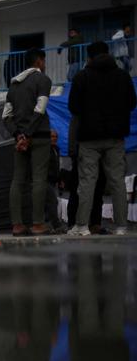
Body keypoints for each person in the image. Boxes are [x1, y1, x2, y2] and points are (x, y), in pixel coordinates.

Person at [68, 41, 136, 236]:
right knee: (117, 181)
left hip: (89, 138)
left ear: (89, 58)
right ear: (108, 54)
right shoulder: (123, 76)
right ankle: (122, 226)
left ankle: (81, 226)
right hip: (115, 137)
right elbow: (132, 103)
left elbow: (73, 107)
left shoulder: (82, 77)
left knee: (87, 181)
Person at [2, 48, 52, 236]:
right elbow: (40, 110)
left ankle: (17, 225)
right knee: (38, 179)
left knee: (17, 180)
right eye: (44, 61)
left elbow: (6, 116)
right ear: (39, 61)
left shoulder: (13, 85)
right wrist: (29, 135)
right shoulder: (43, 80)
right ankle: (38, 224)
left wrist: (18, 136)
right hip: (39, 137)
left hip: (19, 140)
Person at [66, 115, 107, 234]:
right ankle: (73, 223)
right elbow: (74, 127)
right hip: (81, 151)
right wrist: (73, 151)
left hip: (99, 153)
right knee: (76, 189)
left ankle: (95, 223)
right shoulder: (81, 109)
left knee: (98, 190)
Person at [45, 130, 65, 233]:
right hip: (46, 179)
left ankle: (50, 226)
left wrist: (59, 179)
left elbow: (57, 166)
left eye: (55, 137)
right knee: (53, 201)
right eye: (52, 136)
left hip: (53, 180)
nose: (54, 138)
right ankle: (56, 225)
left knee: (50, 203)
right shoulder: (46, 150)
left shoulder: (56, 149)